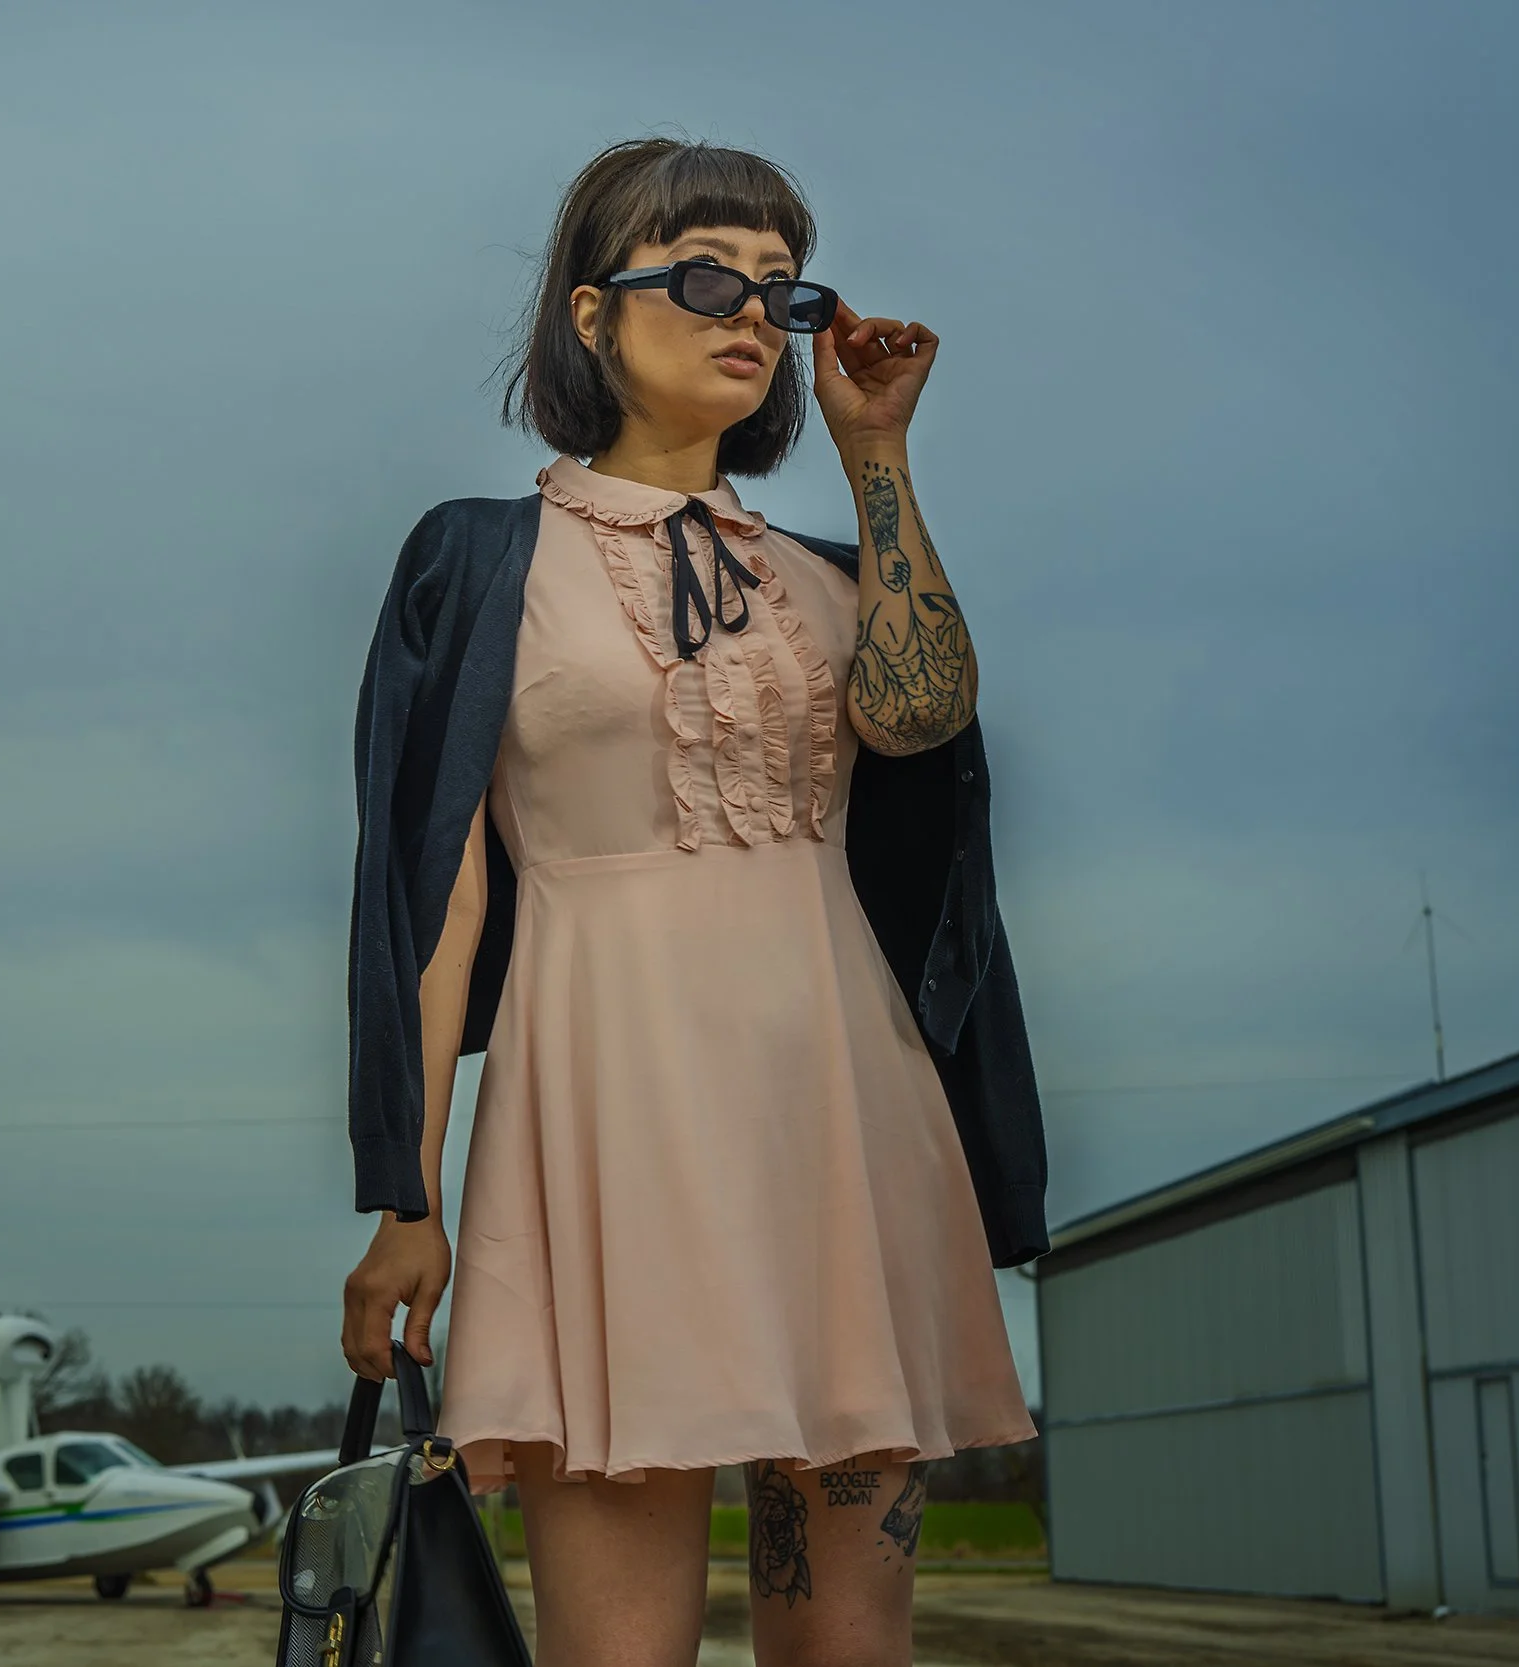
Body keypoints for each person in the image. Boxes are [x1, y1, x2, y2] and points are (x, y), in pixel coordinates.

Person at [337, 137, 1039, 1667]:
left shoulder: (834, 571)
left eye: (785, 291)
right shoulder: (480, 562)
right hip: (608, 1111)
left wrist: (879, 457)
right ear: (594, 315)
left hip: (845, 1115)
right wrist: (410, 1196)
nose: (751, 312)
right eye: (710, 274)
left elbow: (925, 719)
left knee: (851, 1648)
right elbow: (434, 902)